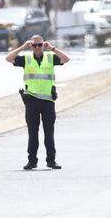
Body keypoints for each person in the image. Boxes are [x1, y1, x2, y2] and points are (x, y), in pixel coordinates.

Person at [6, 35, 70, 170]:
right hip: (31, 100)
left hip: (48, 101)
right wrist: (23, 47)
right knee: (33, 133)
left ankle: (51, 160)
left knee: (49, 133)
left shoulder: (50, 58)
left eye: (39, 45)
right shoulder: (26, 59)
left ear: (43, 45)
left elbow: (66, 59)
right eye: (34, 45)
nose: (37, 48)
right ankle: (32, 161)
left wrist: (52, 48)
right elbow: (9, 58)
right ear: (31, 46)